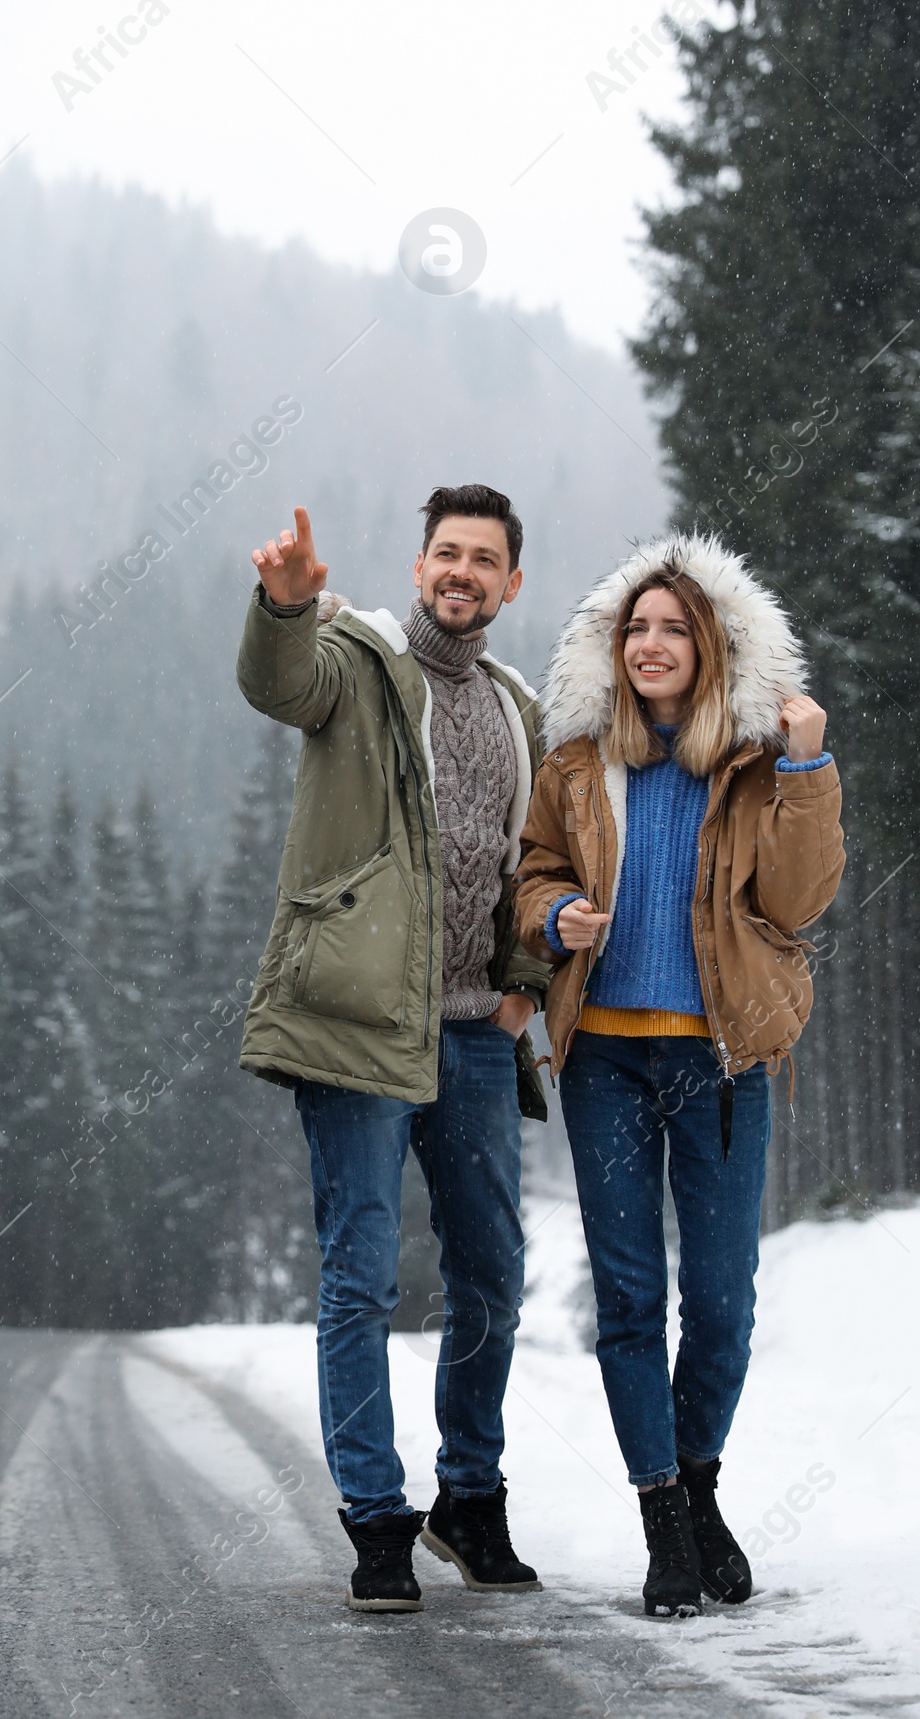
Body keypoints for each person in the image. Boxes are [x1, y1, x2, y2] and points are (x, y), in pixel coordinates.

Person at [515, 534, 844, 1618]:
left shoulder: (756, 767)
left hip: (721, 1059)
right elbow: (536, 875)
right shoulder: (573, 763)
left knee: (721, 1302)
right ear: (613, 649)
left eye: (673, 629)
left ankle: (698, 1489)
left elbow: (796, 906)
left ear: (712, 649)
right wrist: (553, 915)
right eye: (635, 628)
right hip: (603, 1055)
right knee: (628, 1298)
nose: (651, 644)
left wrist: (806, 767)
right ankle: (664, 1524)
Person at [238, 487, 550, 1613]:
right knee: (361, 1278)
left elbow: (541, 868)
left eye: (484, 559)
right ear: (418, 566)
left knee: (492, 1281)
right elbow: (281, 684)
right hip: (360, 1031)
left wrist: (524, 990)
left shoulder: (518, 707)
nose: (461, 571)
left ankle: (469, 1497)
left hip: (473, 1038)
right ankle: (376, 1519)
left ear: (511, 584)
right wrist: (284, 608)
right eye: (445, 553)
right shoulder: (358, 663)